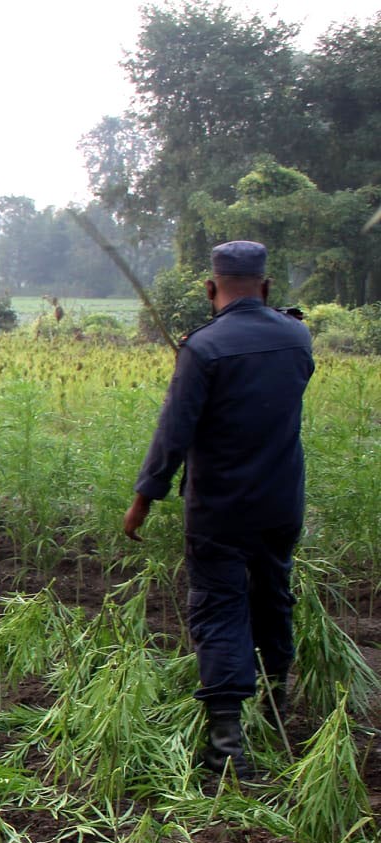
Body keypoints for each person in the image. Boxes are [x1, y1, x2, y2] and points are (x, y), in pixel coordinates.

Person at [124, 240, 313, 779]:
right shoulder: (297, 336)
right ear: (267, 287)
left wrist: (145, 497)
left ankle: (226, 744)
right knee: (274, 592)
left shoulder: (204, 349)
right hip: (281, 502)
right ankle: (277, 707)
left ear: (211, 288)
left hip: (221, 508)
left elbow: (174, 433)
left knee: (219, 606)